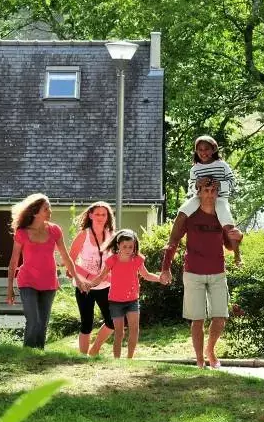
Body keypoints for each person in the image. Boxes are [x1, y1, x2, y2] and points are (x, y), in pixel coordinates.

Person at [161, 177, 243, 369]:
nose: (210, 194)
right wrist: (165, 268)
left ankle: (210, 350)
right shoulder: (190, 216)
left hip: (217, 272)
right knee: (197, 319)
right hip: (193, 272)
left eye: (213, 191)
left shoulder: (222, 215)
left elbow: (229, 245)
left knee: (220, 317)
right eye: (206, 191)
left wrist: (240, 237)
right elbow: (173, 242)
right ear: (198, 192)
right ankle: (199, 360)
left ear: (217, 193)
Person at [6, 193, 87, 349]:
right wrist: (10, 288)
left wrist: (77, 278)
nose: (50, 211)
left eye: (49, 207)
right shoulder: (22, 232)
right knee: (33, 320)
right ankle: (28, 353)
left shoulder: (55, 230)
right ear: (35, 212)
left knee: (43, 322)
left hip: (49, 282)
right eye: (46, 208)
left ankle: (39, 354)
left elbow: (66, 256)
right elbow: (13, 261)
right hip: (27, 281)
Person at [88, 229, 162, 359]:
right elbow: (101, 276)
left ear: (134, 246)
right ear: (118, 246)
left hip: (132, 300)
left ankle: (129, 359)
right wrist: (88, 285)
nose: (128, 249)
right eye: (125, 246)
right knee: (119, 333)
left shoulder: (137, 259)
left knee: (134, 330)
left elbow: (146, 275)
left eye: (131, 247)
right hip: (115, 302)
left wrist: (160, 278)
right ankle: (117, 359)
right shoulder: (112, 260)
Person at [175, 135, 243, 266]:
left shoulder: (222, 165)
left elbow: (232, 182)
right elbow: (191, 186)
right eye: (200, 149)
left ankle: (237, 254)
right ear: (196, 151)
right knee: (182, 211)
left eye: (206, 149)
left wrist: (221, 184)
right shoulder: (195, 169)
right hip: (199, 197)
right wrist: (197, 184)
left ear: (213, 149)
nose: (203, 152)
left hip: (220, 198)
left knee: (227, 222)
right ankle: (172, 243)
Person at [68, 201, 116, 356]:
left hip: (105, 285)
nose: (100, 217)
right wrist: (90, 276)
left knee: (113, 321)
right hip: (84, 285)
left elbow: (116, 260)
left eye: (104, 214)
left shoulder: (112, 235)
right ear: (90, 215)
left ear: (108, 217)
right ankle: (83, 358)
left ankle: (94, 349)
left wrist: (112, 276)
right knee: (86, 323)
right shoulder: (84, 234)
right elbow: (70, 262)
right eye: (97, 214)